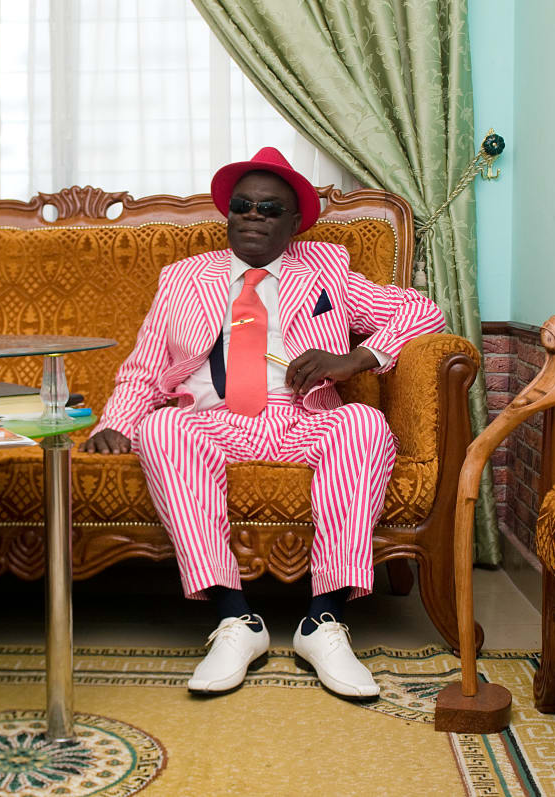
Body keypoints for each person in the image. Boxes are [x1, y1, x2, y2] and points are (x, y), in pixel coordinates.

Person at [81, 147, 446, 698]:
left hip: (300, 417)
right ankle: (235, 620)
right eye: (243, 206)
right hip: (214, 418)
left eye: (270, 209)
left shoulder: (326, 269)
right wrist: (116, 422)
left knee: (364, 423)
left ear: (294, 223)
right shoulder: (184, 278)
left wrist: (353, 359)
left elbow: (422, 312)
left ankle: (323, 622)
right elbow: (146, 366)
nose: (253, 215)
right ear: (228, 213)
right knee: (161, 429)